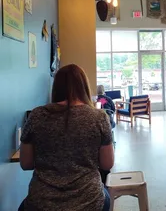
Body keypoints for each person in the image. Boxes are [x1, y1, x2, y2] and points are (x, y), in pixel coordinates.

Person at [19, 64, 114, 211]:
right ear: (84, 87)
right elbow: (107, 164)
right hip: (89, 201)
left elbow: (26, 164)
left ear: (56, 87)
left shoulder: (36, 115)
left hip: (41, 203)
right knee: (105, 196)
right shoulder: (99, 117)